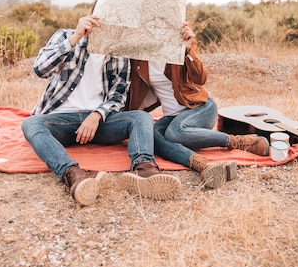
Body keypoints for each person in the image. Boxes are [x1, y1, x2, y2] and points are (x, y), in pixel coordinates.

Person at [21, 11, 181, 205]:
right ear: (93, 16)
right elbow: (40, 69)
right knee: (31, 124)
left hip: (100, 123)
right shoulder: (65, 36)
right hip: (59, 121)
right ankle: (74, 175)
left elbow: (118, 95)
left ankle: (144, 171)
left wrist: (97, 114)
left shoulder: (119, 52)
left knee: (141, 118)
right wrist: (74, 39)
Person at [127, 22, 270, 189]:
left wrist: (188, 51)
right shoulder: (138, 57)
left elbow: (200, 78)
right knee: (153, 137)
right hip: (172, 117)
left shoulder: (180, 43)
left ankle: (239, 141)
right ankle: (204, 164)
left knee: (175, 133)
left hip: (200, 107)